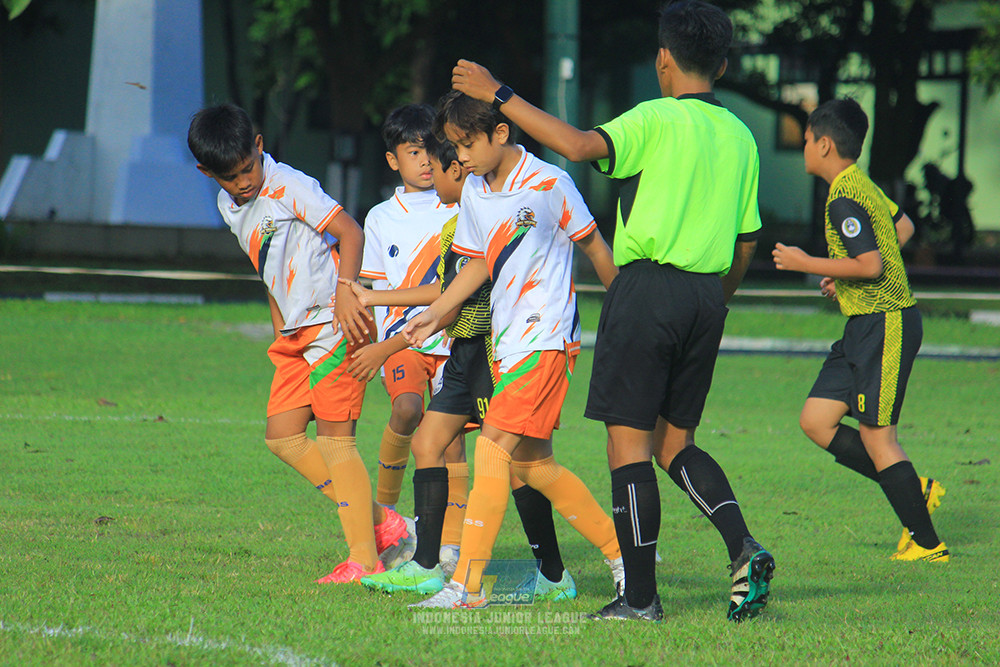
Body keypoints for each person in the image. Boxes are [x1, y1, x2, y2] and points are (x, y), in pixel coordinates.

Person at [449, 0, 773, 622]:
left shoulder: (655, 116)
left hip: (647, 289)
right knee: (675, 443)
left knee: (627, 448)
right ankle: (743, 546)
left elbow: (575, 144)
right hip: (708, 299)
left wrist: (500, 93)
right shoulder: (741, 135)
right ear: (724, 66)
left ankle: (640, 598)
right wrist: (717, 300)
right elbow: (748, 241)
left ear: (662, 60)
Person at [402, 89, 624, 610]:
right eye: (453, 146)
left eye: (466, 143)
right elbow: (479, 262)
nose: (459, 157)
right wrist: (438, 312)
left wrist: (626, 316)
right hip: (506, 345)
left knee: (491, 447)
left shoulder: (550, 184)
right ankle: (623, 558)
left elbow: (595, 247)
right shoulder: (476, 189)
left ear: (500, 133)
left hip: (545, 341)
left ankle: (467, 588)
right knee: (533, 467)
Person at [348, 128, 583, 601]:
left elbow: (447, 300)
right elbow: (445, 296)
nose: (432, 178)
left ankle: (554, 573)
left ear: (457, 169)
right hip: (464, 352)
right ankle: (426, 564)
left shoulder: (481, 211)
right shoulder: (460, 221)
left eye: (438, 170)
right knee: (430, 441)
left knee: (523, 466)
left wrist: (387, 343)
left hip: (497, 352)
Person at [187, 103, 414, 584]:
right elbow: (267, 266)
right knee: (283, 437)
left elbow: (349, 232)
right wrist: (280, 330)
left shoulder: (289, 185)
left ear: (260, 147)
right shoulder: (229, 206)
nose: (243, 182)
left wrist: (347, 296)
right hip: (294, 333)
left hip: (334, 324)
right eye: (230, 176)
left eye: (248, 168)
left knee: (336, 443)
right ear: (208, 173)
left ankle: (363, 560)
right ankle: (386, 524)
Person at [772, 97, 948, 563]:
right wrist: (843, 271)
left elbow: (870, 263)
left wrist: (808, 263)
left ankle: (929, 545)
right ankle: (914, 488)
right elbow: (902, 229)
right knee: (816, 419)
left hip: (885, 324)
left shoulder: (845, 196)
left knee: (878, 437)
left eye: (806, 139)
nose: (804, 146)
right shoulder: (859, 185)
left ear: (824, 144)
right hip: (861, 327)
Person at [357, 104, 464, 517]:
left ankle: (447, 542)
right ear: (392, 159)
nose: (423, 161)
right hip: (404, 342)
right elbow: (373, 285)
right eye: (412, 152)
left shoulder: (458, 207)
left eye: (429, 151)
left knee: (451, 442)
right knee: (406, 409)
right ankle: (385, 514)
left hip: (454, 341)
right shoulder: (382, 218)